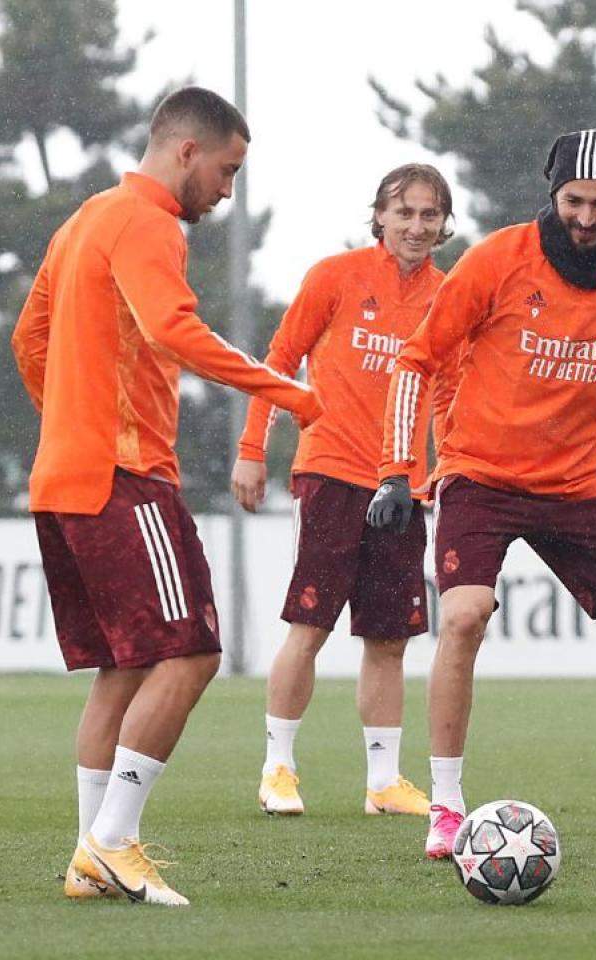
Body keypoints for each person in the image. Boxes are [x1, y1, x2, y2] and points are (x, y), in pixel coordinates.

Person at [366, 126, 596, 859]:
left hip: (579, 488)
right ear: (551, 194)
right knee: (464, 616)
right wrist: (396, 471)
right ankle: (446, 807)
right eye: (572, 201)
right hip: (481, 476)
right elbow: (416, 360)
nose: (585, 218)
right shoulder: (497, 259)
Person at [11, 87, 322, 905]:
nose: (227, 191)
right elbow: (173, 329)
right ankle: (113, 841)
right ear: (187, 152)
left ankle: (90, 854)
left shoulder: (86, 218)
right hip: (123, 477)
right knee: (192, 654)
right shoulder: (148, 221)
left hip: (64, 477)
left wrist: (70, 420)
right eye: (226, 171)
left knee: (125, 666)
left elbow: (28, 339)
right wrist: (285, 393)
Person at [231, 164, 455, 819]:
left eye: (429, 215)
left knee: (389, 639)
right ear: (379, 215)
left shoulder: (451, 294)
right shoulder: (336, 276)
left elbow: (450, 394)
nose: (417, 226)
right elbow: (275, 363)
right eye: (404, 212)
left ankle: (383, 782)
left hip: (405, 490)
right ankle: (278, 768)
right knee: (310, 624)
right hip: (329, 473)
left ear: (445, 223)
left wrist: (445, 468)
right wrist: (251, 451)